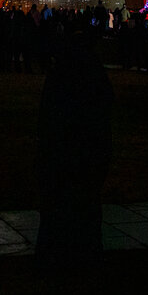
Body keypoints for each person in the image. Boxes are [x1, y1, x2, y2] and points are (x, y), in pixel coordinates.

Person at [37, 23, 113, 269]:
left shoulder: (59, 75)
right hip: (88, 151)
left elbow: (46, 115)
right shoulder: (94, 73)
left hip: (61, 151)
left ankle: (54, 253)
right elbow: (105, 109)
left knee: (59, 203)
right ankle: (87, 252)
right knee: (87, 204)